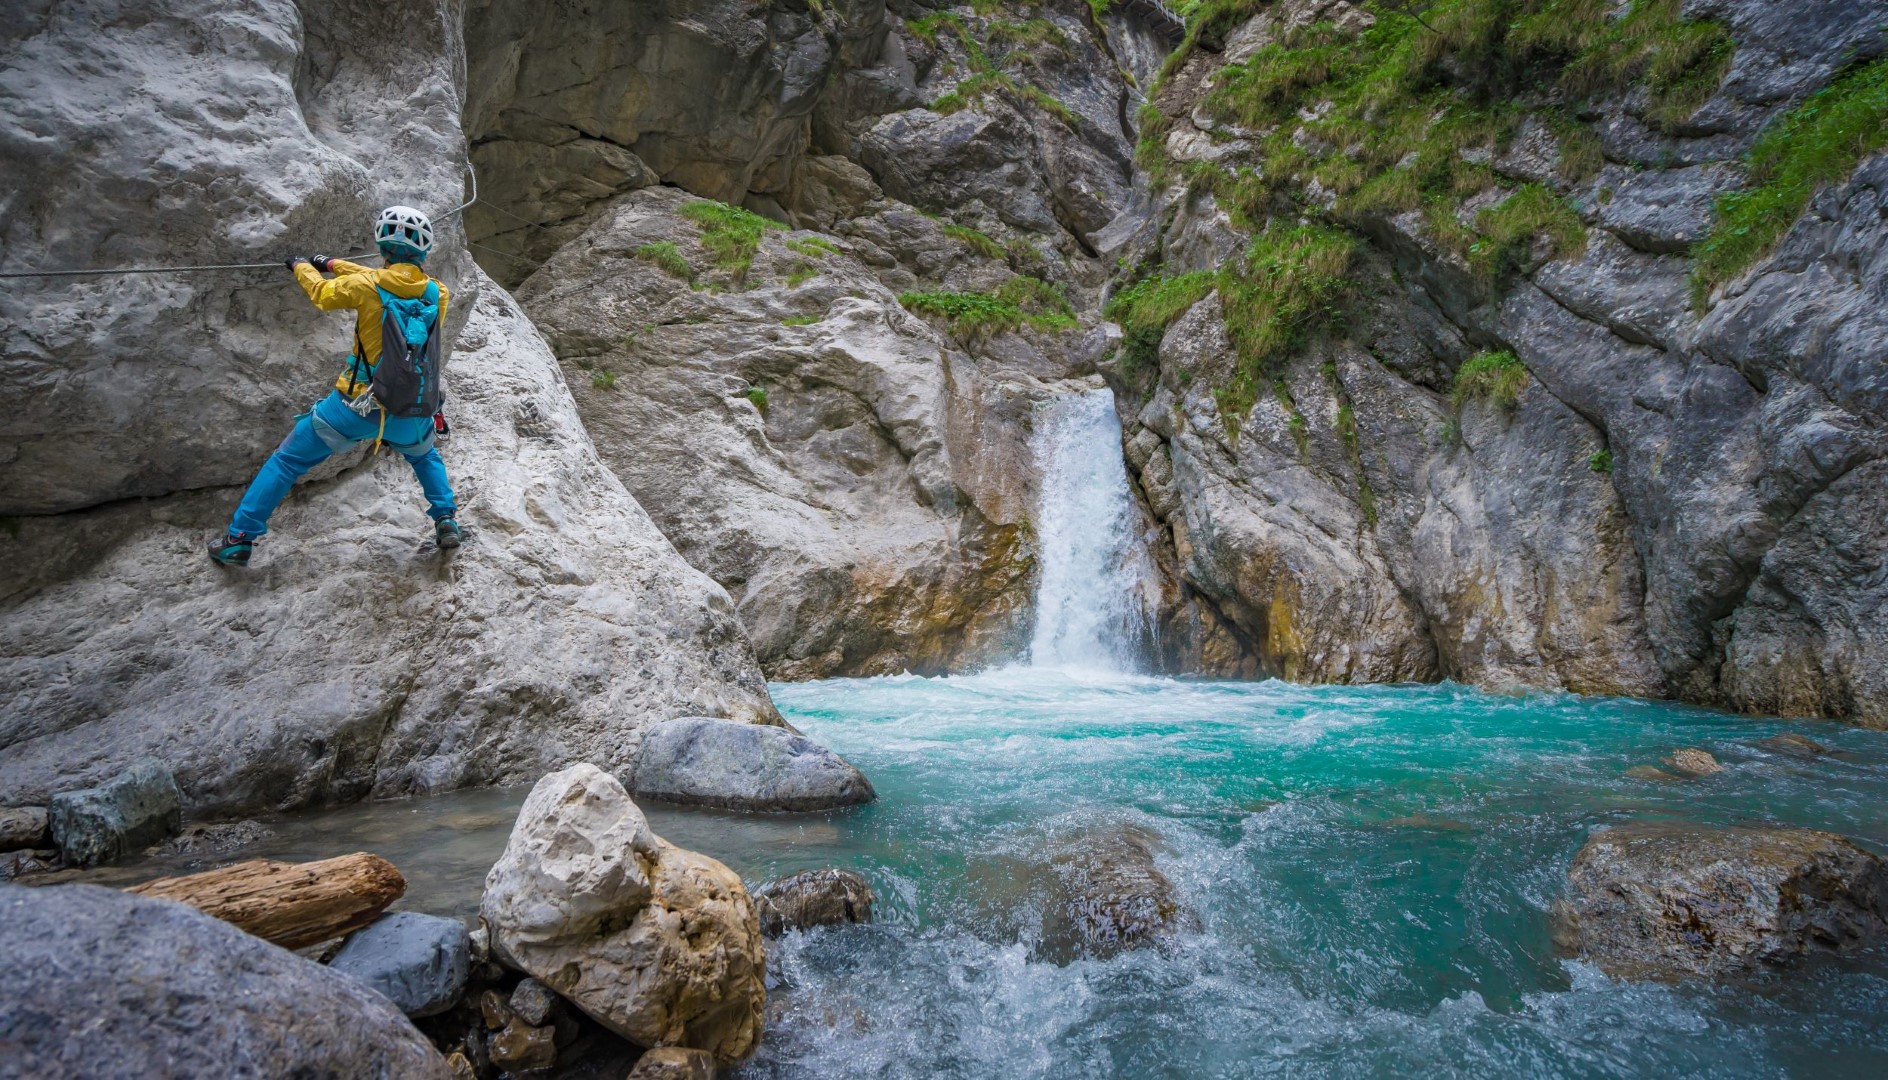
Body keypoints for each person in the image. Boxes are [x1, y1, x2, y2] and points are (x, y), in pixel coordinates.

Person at [208, 206, 460, 566]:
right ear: (424, 252)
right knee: (425, 456)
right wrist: (333, 262)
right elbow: (383, 280)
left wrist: (303, 266)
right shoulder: (438, 293)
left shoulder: (365, 287)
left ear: (382, 248)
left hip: (353, 408)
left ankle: (239, 540)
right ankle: (446, 520)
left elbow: (326, 294)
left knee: (286, 462)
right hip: (410, 408)